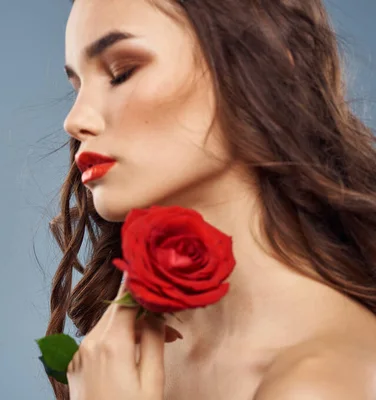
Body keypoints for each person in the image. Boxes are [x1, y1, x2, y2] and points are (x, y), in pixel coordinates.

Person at [44, 0, 376, 398]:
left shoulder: (321, 381)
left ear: (267, 69)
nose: (74, 120)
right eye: (77, 87)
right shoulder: (127, 350)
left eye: (121, 72)